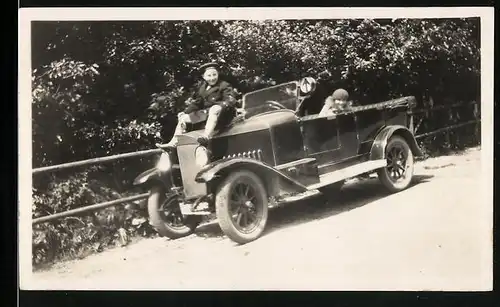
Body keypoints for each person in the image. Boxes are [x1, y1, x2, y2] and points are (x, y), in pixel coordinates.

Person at [164, 62, 238, 148]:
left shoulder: (224, 85)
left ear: (218, 74)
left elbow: (230, 100)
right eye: (209, 76)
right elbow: (197, 103)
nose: (212, 78)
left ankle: (206, 136)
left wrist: (220, 106)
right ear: (204, 77)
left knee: (214, 109)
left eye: (214, 74)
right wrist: (185, 112)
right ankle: (174, 142)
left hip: (222, 114)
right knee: (183, 118)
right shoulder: (202, 88)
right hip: (206, 114)